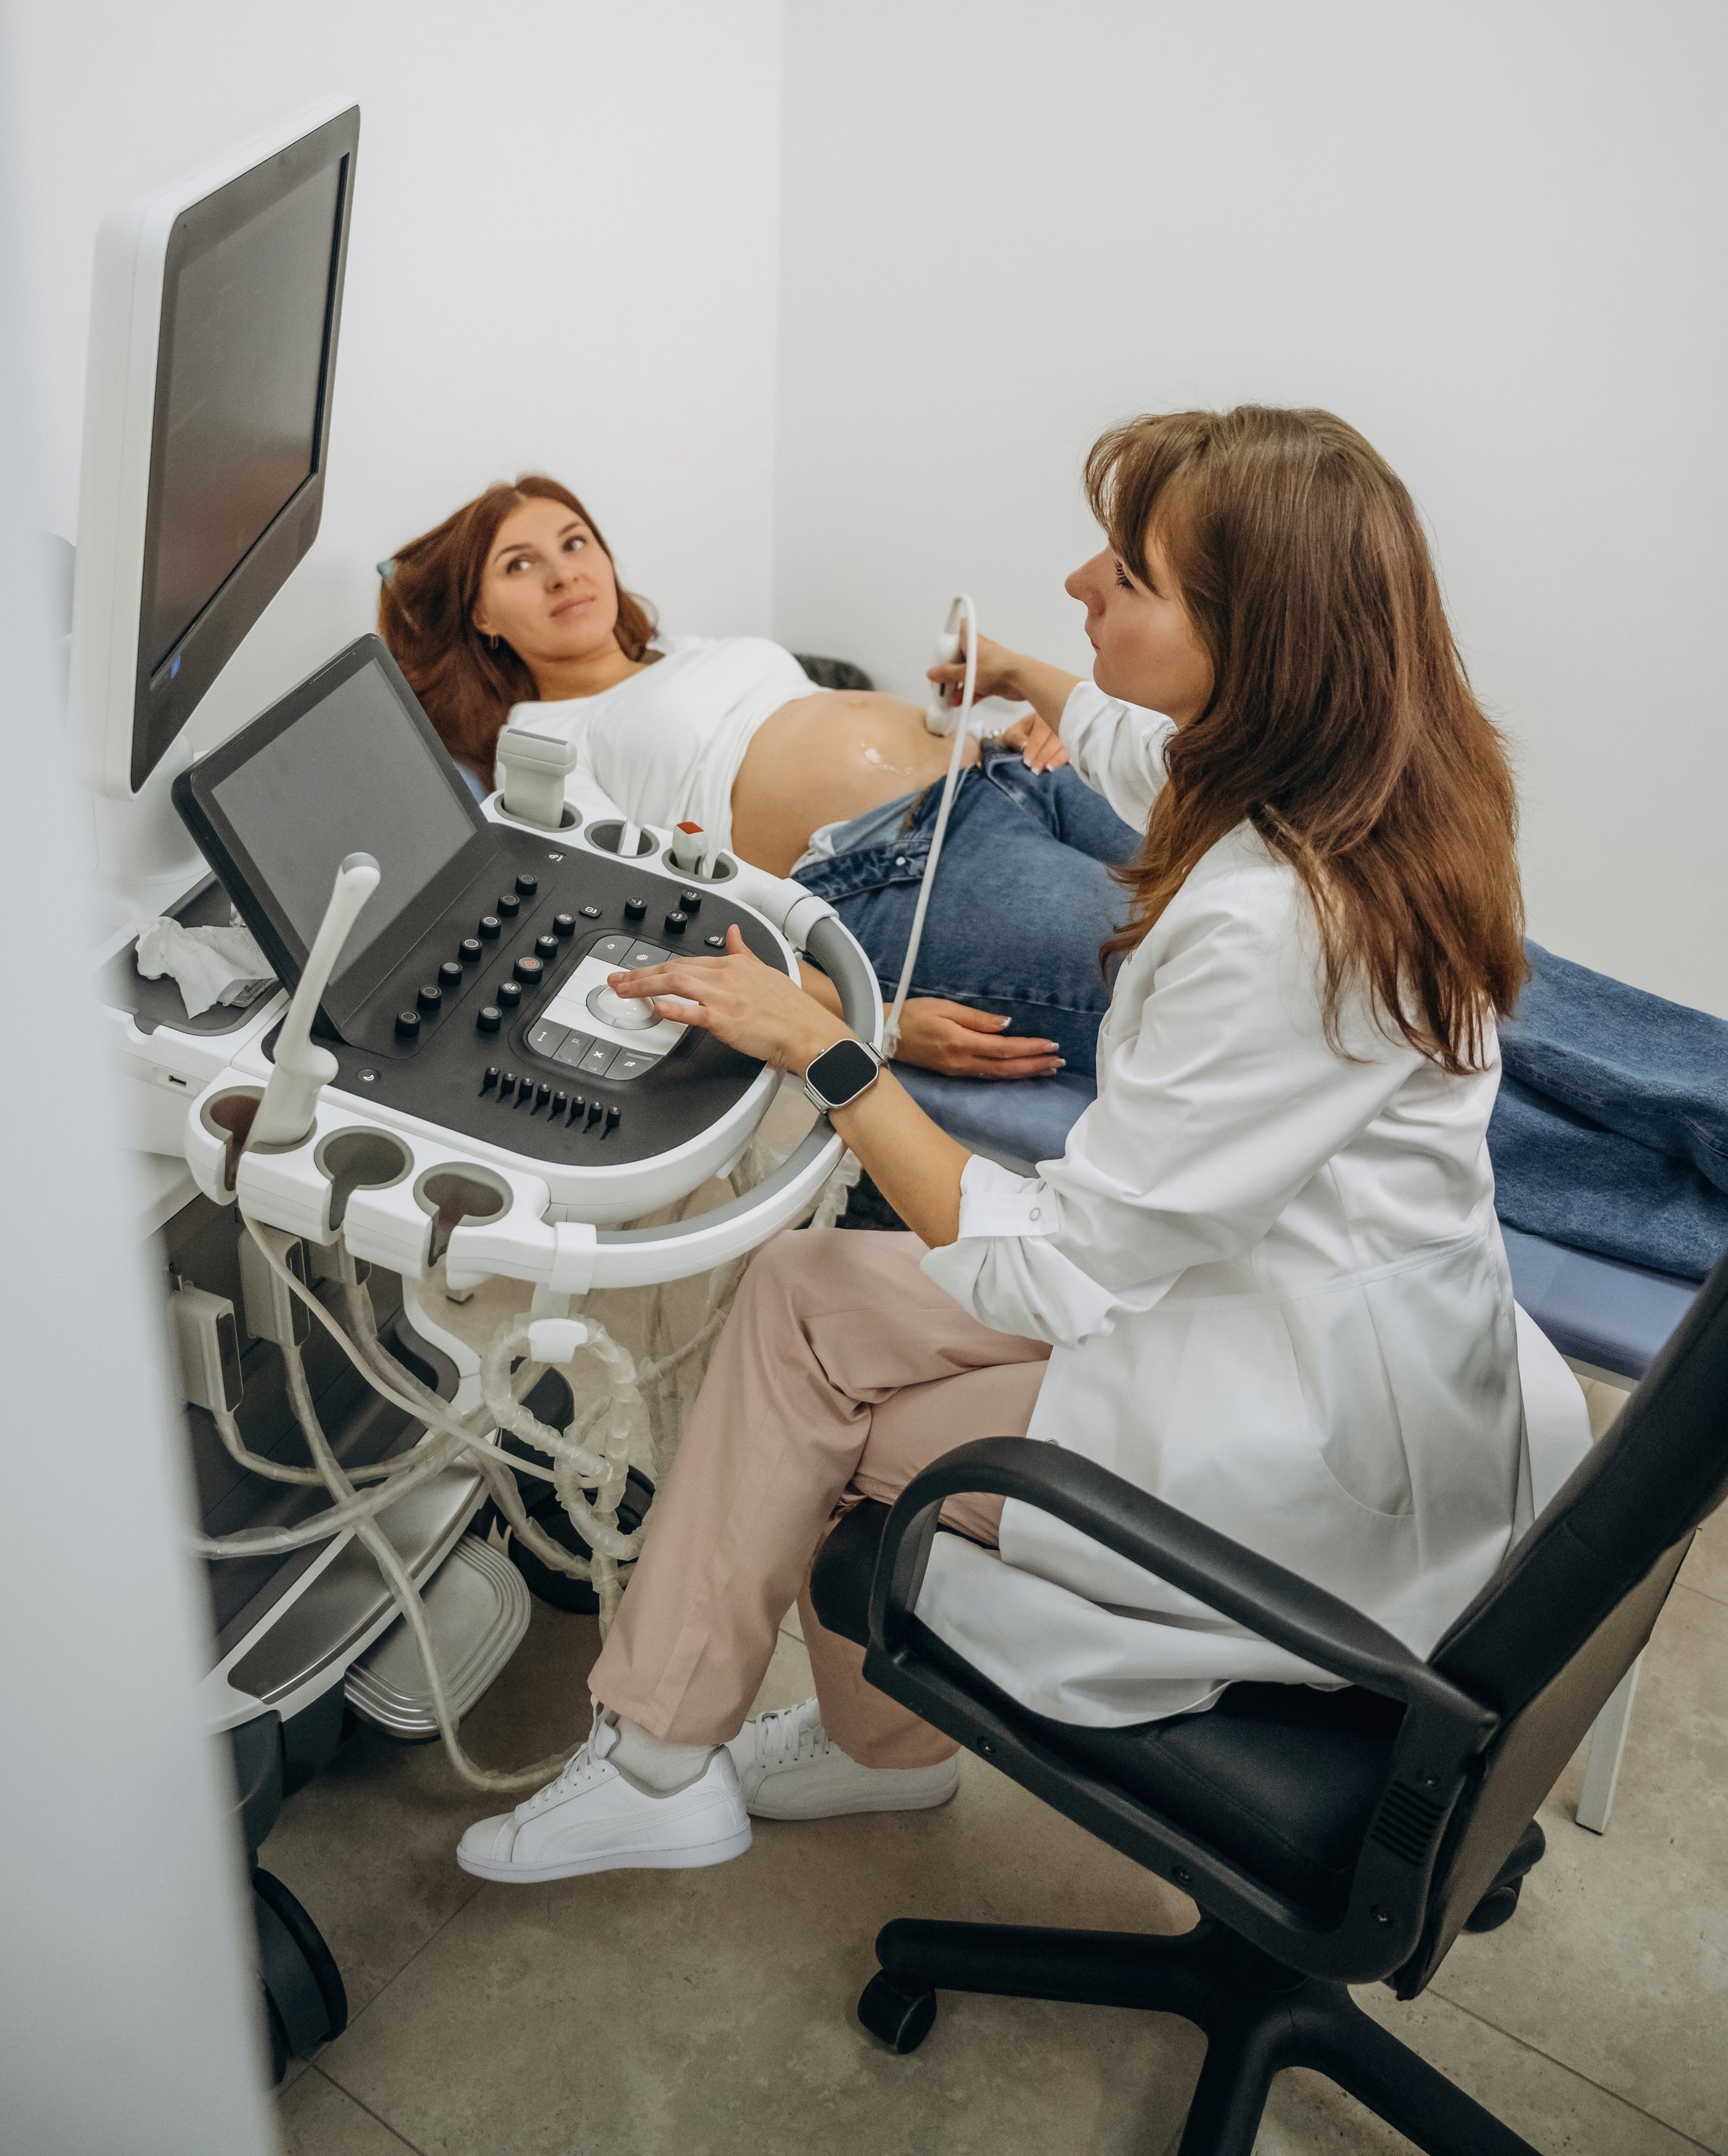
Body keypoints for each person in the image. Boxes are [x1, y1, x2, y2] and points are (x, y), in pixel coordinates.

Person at [453, 405, 1590, 1885]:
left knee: (829, 1431)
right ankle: (754, 1759)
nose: (1079, 581)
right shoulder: (1366, 772)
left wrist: (833, 1050)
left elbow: (1056, 1279)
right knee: (806, 1287)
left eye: (1130, 573)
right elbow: (1143, 746)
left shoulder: (1273, 928)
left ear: (1251, 643)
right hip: (1304, 1322)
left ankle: (718, 1756)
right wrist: (1035, 680)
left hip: (1296, 1461)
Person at [379, 475, 1141, 1079]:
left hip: (1010, 770)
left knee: (1248, 868)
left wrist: (1020, 724)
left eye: (575, 543)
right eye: (521, 565)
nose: (563, 573)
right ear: (481, 617)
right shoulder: (537, 742)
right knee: (1172, 975)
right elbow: (621, 922)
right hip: (894, 870)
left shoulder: (686, 648)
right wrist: (869, 1014)